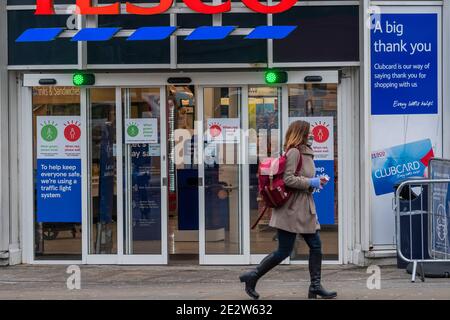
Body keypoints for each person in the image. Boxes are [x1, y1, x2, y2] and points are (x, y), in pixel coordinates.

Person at [239, 120, 337, 300]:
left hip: (304, 208)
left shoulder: (307, 153)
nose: (312, 136)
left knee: (316, 246)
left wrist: (316, 182)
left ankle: (315, 286)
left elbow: (300, 178)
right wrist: (311, 182)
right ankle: (252, 277)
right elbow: (288, 179)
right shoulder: (294, 152)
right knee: (283, 251)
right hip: (291, 210)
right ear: (301, 133)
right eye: (309, 133)